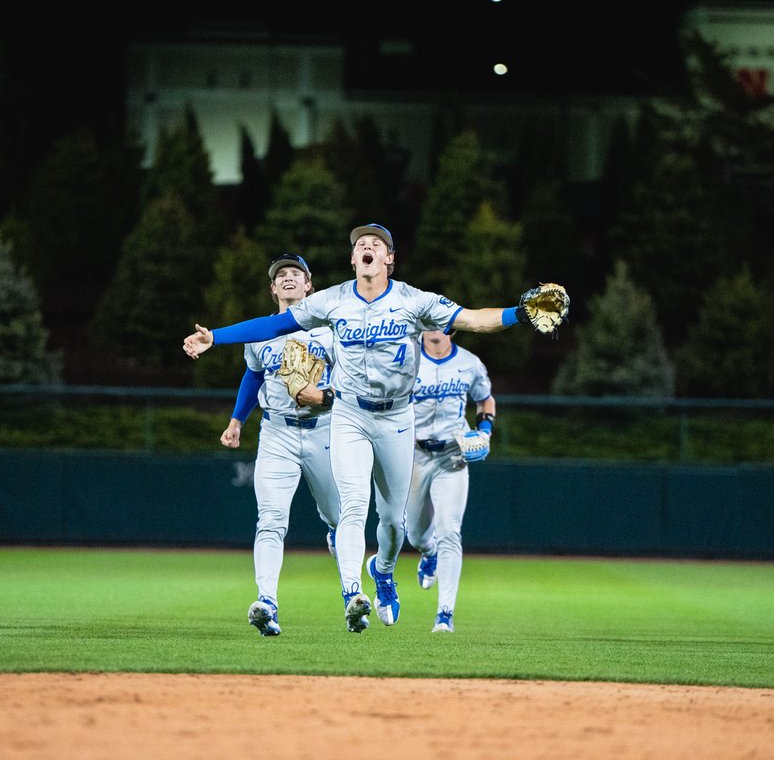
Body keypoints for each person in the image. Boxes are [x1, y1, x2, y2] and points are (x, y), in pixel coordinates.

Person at [184, 223, 543, 634]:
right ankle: (353, 592)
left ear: (389, 259)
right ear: (353, 259)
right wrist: (217, 336)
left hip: (395, 418)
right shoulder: (333, 301)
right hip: (349, 415)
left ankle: (384, 574)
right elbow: (274, 327)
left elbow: (474, 320)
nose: (368, 247)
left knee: (393, 521)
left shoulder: (413, 300)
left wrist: (520, 313)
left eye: (377, 244)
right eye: (361, 245)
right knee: (353, 505)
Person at [219, 253, 340, 637]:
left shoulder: (329, 330)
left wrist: (324, 397)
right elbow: (253, 377)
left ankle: (353, 590)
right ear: (273, 289)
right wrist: (237, 420)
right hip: (277, 433)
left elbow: (353, 382)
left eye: (296, 274)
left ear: (309, 286)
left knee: (341, 519)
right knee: (270, 520)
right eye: (281, 275)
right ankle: (266, 602)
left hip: (326, 430)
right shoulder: (260, 332)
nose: (288, 278)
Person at [407, 329, 495, 633]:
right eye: (428, 321)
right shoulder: (406, 359)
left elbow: (485, 400)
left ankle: (445, 614)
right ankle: (428, 553)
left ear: (451, 328)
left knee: (450, 530)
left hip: (453, 454)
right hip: (415, 454)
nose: (433, 327)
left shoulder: (469, 363)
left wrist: (485, 431)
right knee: (416, 535)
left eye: (439, 321)